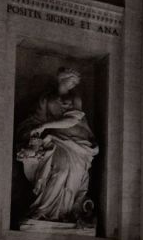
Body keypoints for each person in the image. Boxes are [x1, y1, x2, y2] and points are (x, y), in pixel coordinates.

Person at [16, 67, 99, 224]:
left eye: (76, 82)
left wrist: (45, 126)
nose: (74, 84)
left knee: (74, 177)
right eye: (72, 80)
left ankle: (65, 212)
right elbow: (35, 120)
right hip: (53, 141)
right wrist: (32, 132)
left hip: (76, 143)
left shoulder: (75, 99)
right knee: (60, 171)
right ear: (62, 78)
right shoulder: (46, 99)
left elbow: (73, 120)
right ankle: (43, 210)